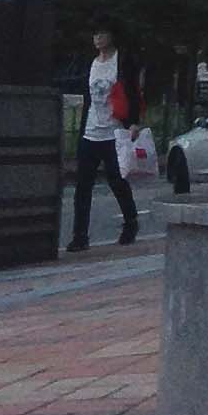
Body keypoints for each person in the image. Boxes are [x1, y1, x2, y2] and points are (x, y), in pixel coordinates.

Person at [69, 23, 142, 251]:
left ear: (111, 36)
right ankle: (80, 236)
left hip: (114, 131)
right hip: (90, 131)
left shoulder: (122, 61)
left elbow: (133, 92)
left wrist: (134, 122)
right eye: (95, 34)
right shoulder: (89, 63)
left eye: (102, 33)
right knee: (83, 186)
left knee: (117, 181)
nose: (98, 38)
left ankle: (130, 222)